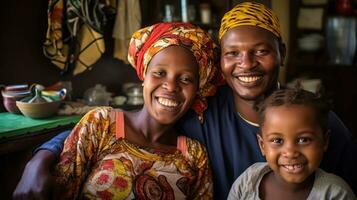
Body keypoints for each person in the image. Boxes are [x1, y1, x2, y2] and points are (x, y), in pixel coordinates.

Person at [13, 2, 357, 199]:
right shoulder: (203, 108)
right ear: (220, 63)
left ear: (282, 53)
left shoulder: (318, 123)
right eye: (232, 54)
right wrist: (39, 159)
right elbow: (117, 126)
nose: (246, 64)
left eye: (261, 52)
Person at [14, 22, 224, 199]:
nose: (170, 86)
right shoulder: (101, 124)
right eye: (160, 73)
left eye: (186, 78)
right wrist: (37, 161)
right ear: (143, 77)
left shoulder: (194, 156)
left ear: (197, 88)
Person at [227, 88, 356, 200]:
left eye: (303, 140)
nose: (290, 152)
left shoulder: (336, 194)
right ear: (262, 145)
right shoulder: (248, 181)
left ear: (325, 141)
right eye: (277, 141)